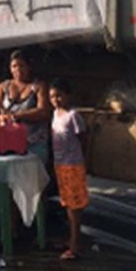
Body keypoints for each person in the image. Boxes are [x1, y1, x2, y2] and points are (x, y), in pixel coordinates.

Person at [49, 77, 89, 260]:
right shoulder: (56, 114)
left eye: (59, 96)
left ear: (67, 96)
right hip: (60, 164)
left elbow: (83, 139)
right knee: (67, 203)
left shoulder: (73, 116)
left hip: (73, 164)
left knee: (75, 205)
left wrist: (83, 161)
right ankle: (71, 239)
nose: (56, 100)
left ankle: (75, 244)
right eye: (52, 96)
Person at [0, 49, 51, 159]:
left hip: (34, 143)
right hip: (10, 142)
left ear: (29, 67)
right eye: (14, 66)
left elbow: (43, 111)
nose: (18, 69)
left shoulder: (38, 86)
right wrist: (2, 113)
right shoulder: (4, 86)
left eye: (21, 66)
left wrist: (16, 116)